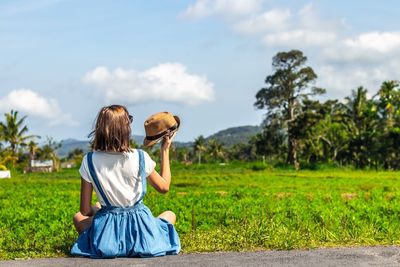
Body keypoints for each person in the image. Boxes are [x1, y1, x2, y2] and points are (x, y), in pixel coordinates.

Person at [70, 105, 180, 258]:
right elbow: (164, 187)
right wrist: (165, 149)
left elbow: (84, 211)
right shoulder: (140, 156)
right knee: (169, 214)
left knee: (78, 217)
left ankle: (111, 235)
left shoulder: (89, 161)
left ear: (100, 129)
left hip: (107, 239)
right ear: (125, 128)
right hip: (143, 235)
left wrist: (99, 209)